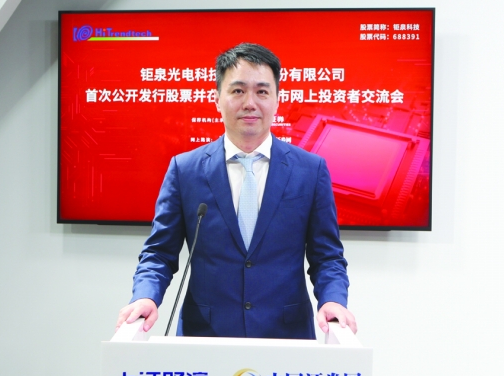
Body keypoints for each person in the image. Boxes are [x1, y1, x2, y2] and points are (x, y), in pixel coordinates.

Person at [116, 43, 356, 338]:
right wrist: (145, 296)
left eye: (262, 92)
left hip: (285, 334)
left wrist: (333, 300)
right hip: (205, 335)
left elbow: (327, 256)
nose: (250, 103)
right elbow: (159, 253)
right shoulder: (185, 169)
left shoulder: (310, 170)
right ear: (217, 99)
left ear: (277, 100)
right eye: (238, 90)